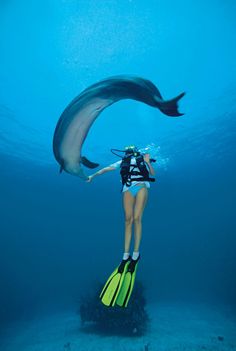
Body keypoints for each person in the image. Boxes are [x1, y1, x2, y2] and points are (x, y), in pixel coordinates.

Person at [87, 145, 156, 307]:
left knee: (138, 219)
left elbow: (153, 174)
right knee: (128, 220)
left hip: (141, 186)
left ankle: (136, 254)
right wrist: (93, 175)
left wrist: (147, 162)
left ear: (136, 150)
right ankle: (125, 256)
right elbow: (107, 169)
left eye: (131, 149)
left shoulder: (142, 159)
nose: (129, 151)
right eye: (127, 149)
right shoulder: (122, 161)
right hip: (127, 188)